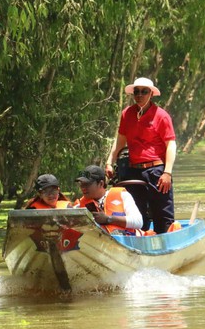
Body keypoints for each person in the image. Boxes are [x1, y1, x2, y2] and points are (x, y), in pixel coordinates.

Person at [105, 77, 176, 234]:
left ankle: (166, 241)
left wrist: (167, 172)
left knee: (162, 213)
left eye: (144, 92)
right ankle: (139, 243)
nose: (139, 95)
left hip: (156, 170)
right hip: (133, 170)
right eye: (136, 92)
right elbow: (120, 142)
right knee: (136, 212)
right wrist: (109, 162)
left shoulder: (161, 115)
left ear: (151, 94)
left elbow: (171, 144)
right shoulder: (127, 114)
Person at [74, 165, 143, 235]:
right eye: (81, 184)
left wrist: (108, 219)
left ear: (101, 183)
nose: (83, 188)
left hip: (123, 242)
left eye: (87, 184)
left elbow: (138, 222)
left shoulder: (122, 196)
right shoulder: (79, 206)